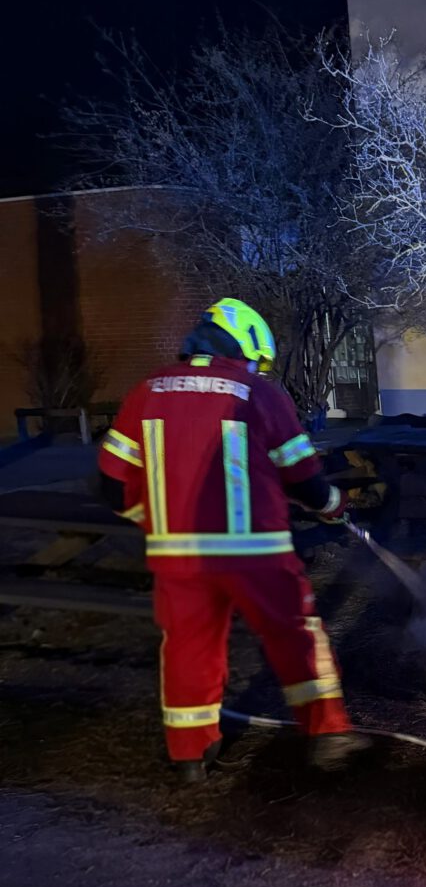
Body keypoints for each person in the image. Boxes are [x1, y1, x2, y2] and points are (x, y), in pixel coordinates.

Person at [98, 298, 362, 784]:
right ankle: (327, 734)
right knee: (295, 635)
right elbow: (302, 478)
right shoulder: (257, 393)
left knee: (188, 647)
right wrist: (332, 505)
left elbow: (113, 488)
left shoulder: (145, 391)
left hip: (179, 559)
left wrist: (154, 523)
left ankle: (191, 756)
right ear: (246, 348)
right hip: (256, 553)